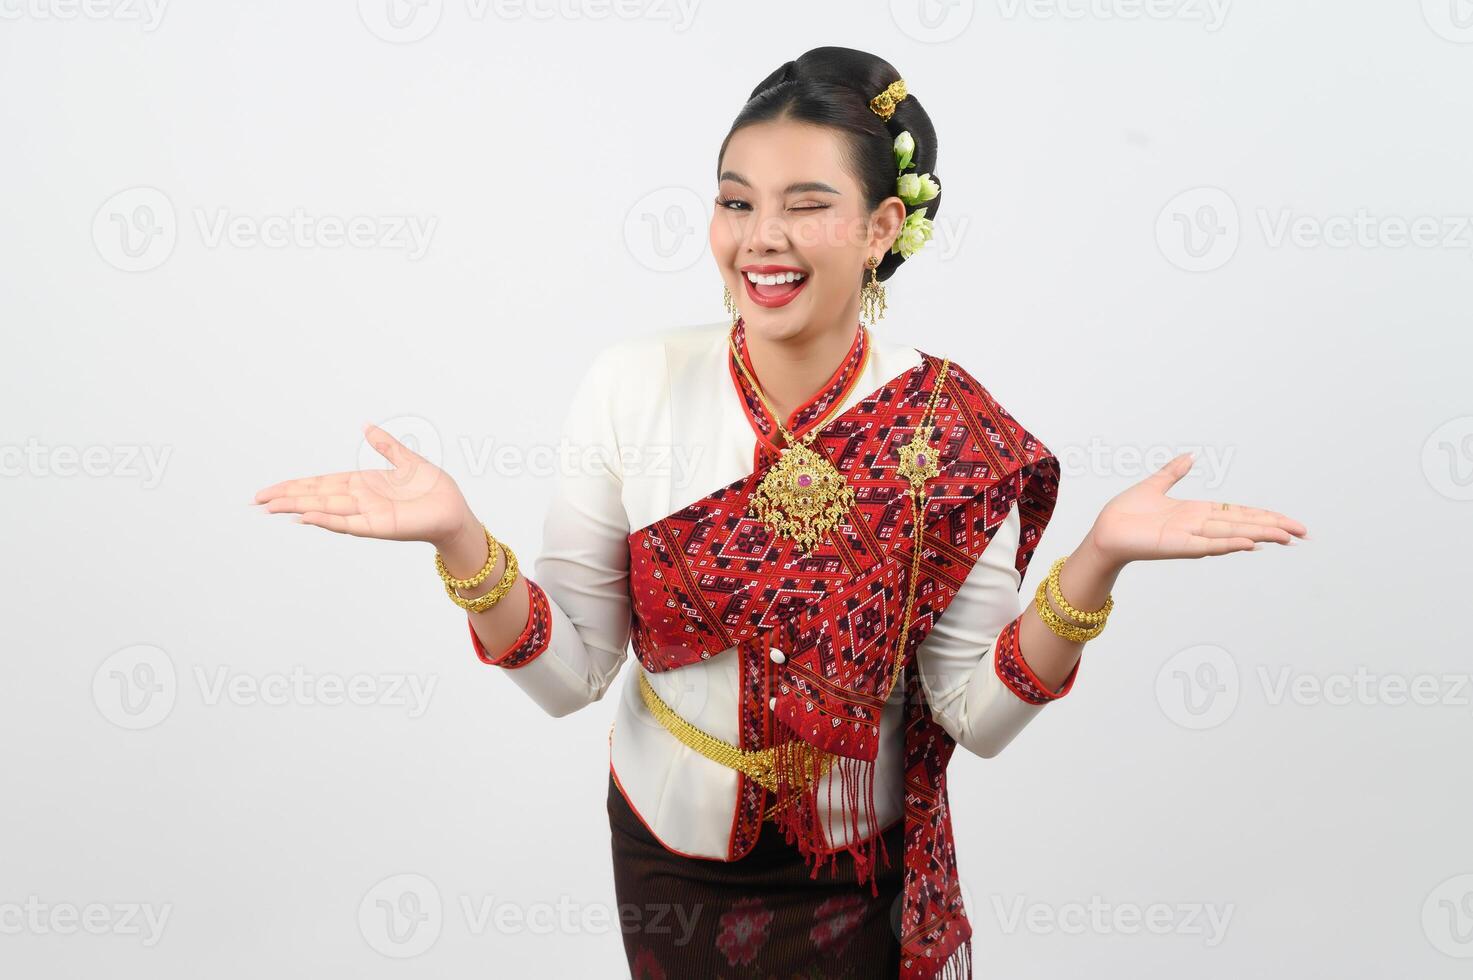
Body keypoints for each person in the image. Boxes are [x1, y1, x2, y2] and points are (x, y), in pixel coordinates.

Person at [254, 46, 1306, 980]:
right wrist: (459, 539)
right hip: (665, 852)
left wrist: (1097, 561)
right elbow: (569, 675)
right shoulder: (632, 385)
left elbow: (975, 717)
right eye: (736, 199)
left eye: (806, 203)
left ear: (883, 225)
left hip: (859, 878)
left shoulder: (952, 427)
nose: (762, 237)